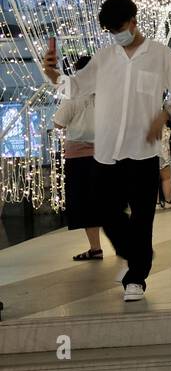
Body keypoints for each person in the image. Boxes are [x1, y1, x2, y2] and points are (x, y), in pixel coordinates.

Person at [42, 0, 171, 302]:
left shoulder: (160, 55)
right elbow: (75, 86)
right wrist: (53, 74)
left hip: (143, 151)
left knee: (142, 216)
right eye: (111, 31)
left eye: (120, 28)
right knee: (106, 212)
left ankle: (136, 277)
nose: (117, 35)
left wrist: (164, 113)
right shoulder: (105, 57)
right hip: (106, 152)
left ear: (134, 22)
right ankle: (136, 253)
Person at [53, 55, 102, 261]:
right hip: (105, 154)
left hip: (78, 157)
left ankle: (96, 248)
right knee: (107, 201)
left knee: (86, 204)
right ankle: (123, 244)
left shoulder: (71, 97)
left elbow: (58, 124)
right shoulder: (107, 95)